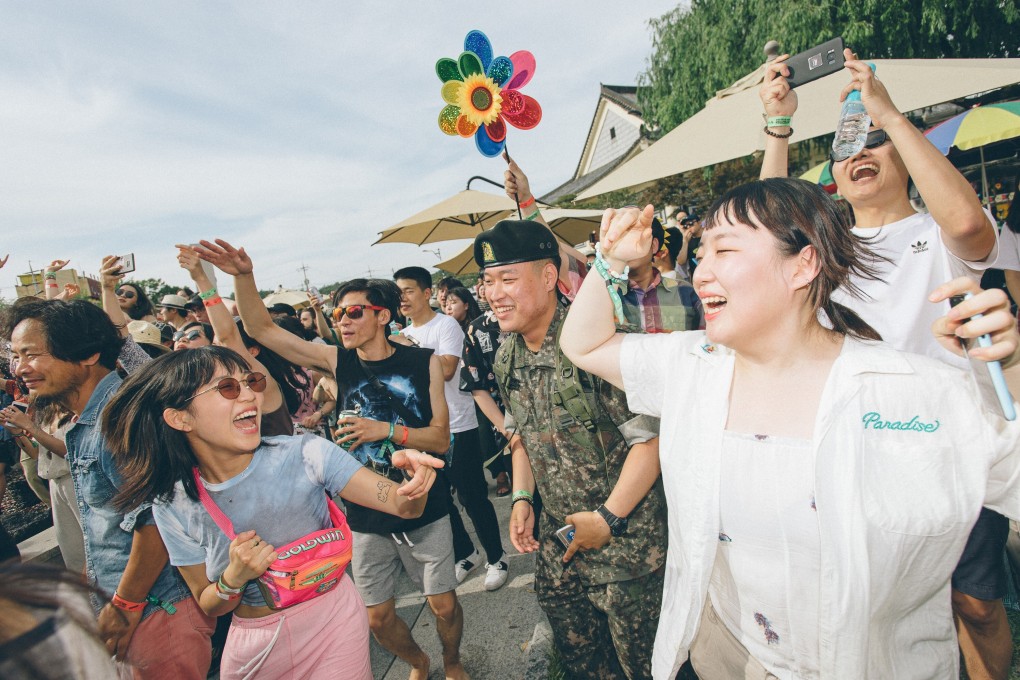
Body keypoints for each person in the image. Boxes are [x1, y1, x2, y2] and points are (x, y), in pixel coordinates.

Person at [560, 179, 1020, 680]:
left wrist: (1009, 367)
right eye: (703, 250)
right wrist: (608, 261)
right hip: (724, 659)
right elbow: (583, 345)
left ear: (803, 265)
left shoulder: (909, 390)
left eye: (726, 249)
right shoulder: (694, 367)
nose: (702, 271)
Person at [759, 50, 1008, 680]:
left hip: (959, 454)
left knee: (976, 605)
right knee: (883, 611)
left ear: (902, 153)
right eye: (845, 149)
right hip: (866, 461)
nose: (859, 153)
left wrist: (889, 113)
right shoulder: (823, 258)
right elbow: (763, 235)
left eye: (875, 141)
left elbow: (973, 226)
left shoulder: (941, 233)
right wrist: (778, 127)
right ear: (832, 179)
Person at [193, 239, 470, 680]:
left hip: (422, 500)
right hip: (363, 510)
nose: (342, 321)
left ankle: (452, 661)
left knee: (444, 603)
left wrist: (387, 431)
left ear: (383, 315)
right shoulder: (337, 361)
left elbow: (439, 438)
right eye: (338, 313)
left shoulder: (423, 363)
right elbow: (263, 330)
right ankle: (418, 661)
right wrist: (243, 277)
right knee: (377, 617)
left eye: (354, 312)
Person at [101, 346, 445, 679]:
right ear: (180, 418)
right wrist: (232, 578)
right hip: (256, 646)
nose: (250, 396)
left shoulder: (306, 453)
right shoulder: (172, 503)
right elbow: (209, 605)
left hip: (334, 621)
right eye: (228, 388)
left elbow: (404, 505)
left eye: (251, 382)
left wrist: (411, 478)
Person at [476, 219, 668, 679]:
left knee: (650, 668)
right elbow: (521, 433)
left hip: (628, 552)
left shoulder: (597, 343)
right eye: (486, 281)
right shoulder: (507, 355)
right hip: (562, 549)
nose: (493, 293)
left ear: (547, 277)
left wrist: (607, 520)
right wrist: (523, 498)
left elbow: (653, 440)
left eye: (507, 279)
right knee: (583, 664)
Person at [1, 297, 215, 678]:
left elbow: (156, 524)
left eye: (31, 354)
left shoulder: (120, 419)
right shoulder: (90, 419)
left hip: (157, 611)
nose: (19, 369)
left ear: (87, 354)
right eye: (13, 355)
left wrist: (123, 607)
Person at [394, 266, 508, 591]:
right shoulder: (403, 332)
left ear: (427, 293)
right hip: (423, 431)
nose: (402, 298)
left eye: (409, 290)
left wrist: (406, 348)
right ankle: (466, 553)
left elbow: (445, 370)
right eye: (398, 292)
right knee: (440, 500)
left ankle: (497, 557)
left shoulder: (445, 326)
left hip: (459, 426)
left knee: (473, 498)